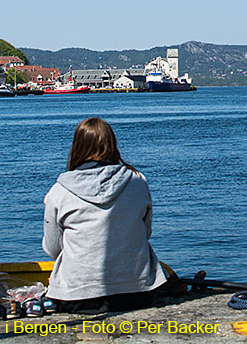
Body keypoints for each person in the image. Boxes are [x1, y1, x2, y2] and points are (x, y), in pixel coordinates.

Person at [43, 118, 166, 313]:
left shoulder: (59, 192)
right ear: (112, 145)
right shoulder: (138, 182)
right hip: (138, 293)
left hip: (78, 296)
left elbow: (52, 249)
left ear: (77, 147)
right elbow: (145, 233)